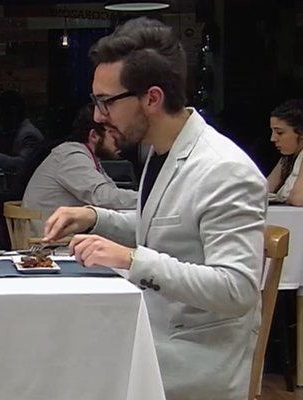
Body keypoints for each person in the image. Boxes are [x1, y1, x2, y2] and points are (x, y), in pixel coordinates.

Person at [43, 17, 266, 400]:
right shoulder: (161, 151)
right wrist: (95, 217)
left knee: (60, 371)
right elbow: (166, 227)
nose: (97, 116)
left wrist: (131, 258)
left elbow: (237, 289)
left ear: (152, 98)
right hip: (153, 335)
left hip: (195, 360)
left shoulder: (224, 169)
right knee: (53, 351)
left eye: (106, 102)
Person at [22, 104, 137, 236]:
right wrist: (146, 200)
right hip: (52, 242)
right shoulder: (71, 157)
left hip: (62, 239)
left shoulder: (84, 156)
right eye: (112, 132)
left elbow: (110, 194)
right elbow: (103, 197)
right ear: (94, 136)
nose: (120, 140)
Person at [0, 90, 44, 175]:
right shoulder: (20, 133)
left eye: (1, 114)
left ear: (12, 112)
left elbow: (23, 163)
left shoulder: (30, 135)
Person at [267, 99, 303, 205]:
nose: (273, 138)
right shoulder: (287, 158)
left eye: (279, 133)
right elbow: (263, 190)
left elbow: (299, 198)